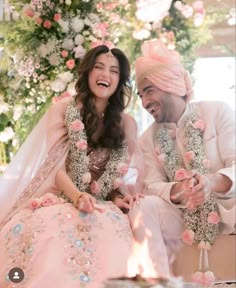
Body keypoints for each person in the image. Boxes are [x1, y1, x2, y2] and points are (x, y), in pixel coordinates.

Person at [0, 45, 142, 288]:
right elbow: (54, 168)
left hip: (100, 202)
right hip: (62, 194)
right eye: (98, 67)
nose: (105, 75)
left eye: (113, 71)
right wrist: (77, 197)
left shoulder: (126, 124)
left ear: (121, 81)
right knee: (52, 229)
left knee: (112, 228)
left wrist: (118, 197)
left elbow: (117, 175)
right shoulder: (63, 110)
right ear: (87, 73)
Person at [128, 39, 235, 280]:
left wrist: (210, 182)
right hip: (181, 216)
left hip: (228, 207)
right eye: (141, 95)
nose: (144, 103)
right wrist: (180, 190)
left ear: (170, 85)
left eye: (149, 91)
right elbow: (152, 185)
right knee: (143, 205)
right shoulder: (148, 139)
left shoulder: (217, 112)